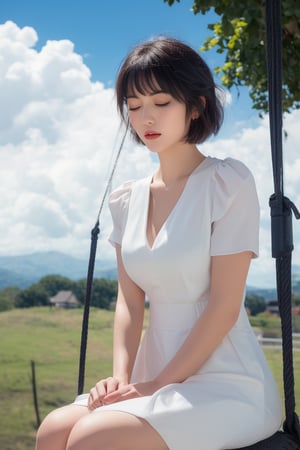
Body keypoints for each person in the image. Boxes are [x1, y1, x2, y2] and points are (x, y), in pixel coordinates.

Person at [36, 36, 282, 450]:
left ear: (197, 104)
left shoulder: (227, 183)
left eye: (162, 102)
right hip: (150, 376)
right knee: (55, 429)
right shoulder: (126, 200)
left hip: (225, 380)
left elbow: (224, 306)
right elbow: (129, 303)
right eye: (134, 106)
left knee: (93, 436)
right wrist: (121, 377)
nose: (145, 117)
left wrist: (159, 384)